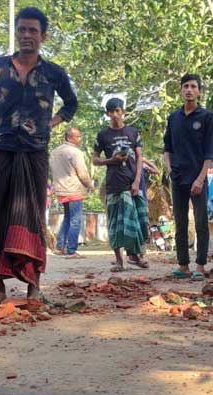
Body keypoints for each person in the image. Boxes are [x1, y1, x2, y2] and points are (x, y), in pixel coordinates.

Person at [0, 7, 78, 302]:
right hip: (3, 147)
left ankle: (33, 284)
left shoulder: (54, 72)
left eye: (33, 30)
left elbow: (71, 104)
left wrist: (50, 123)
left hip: (35, 151)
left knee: (33, 212)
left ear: (43, 35)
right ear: (17, 32)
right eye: (22, 30)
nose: (27, 35)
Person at [163, 74, 213, 281]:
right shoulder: (173, 118)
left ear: (199, 91)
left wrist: (200, 179)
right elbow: (167, 148)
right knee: (180, 221)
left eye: (194, 86)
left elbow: (209, 153)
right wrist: (169, 168)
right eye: (185, 86)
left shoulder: (207, 117)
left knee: (201, 222)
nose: (189, 90)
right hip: (177, 178)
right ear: (180, 90)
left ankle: (200, 266)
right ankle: (183, 265)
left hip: (198, 178)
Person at [93, 98, 149, 271]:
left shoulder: (133, 132)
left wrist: (137, 180)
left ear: (123, 112)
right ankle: (119, 260)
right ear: (107, 114)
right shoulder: (103, 135)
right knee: (115, 223)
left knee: (138, 221)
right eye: (112, 112)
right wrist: (111, 160)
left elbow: (140, 157)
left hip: (132, 182)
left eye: (118, 111)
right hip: (114, 184)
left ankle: (137, 256)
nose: (115, 115)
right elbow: (95, 160)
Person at [51, 127, 94, 259]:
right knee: (75, 220)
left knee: (68, 218)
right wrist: (90, 185)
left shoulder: (55, 152)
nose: (80, 139)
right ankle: (71, 250)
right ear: (70, 137)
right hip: (74, 189)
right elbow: (82, 173)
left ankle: (59, 247)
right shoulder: (76, 152)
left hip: (60, 189)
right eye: (78, 136)